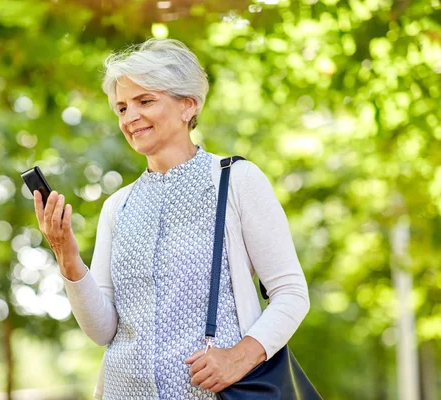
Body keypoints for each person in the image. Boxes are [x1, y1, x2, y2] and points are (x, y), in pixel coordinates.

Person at [33, 38, 310, 399]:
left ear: (188, 105)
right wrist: (66, 255)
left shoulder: (235, 180)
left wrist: (238, 358)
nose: (130, 117)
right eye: (121, 108)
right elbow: (102, 331)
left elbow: (291, 293)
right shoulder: (118, 206)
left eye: (145, 101)